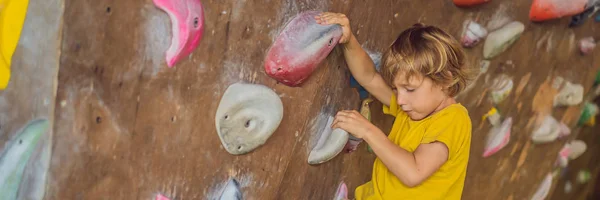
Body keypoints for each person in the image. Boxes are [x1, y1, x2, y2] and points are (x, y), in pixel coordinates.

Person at [315, 12, 474, 200]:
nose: (400, 100)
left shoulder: (454, 120)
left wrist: (368, 131)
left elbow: (413, 172)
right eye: (396, 90)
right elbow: (370, 77)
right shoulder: (414, 108)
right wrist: (349, 41)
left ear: (444, 80)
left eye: (410, 89)